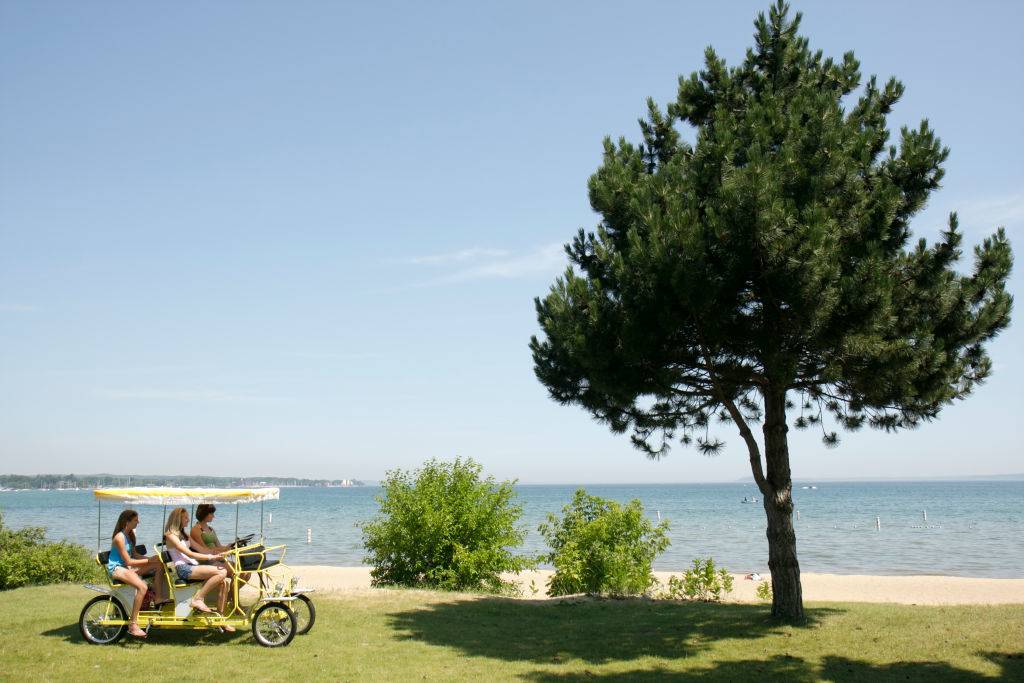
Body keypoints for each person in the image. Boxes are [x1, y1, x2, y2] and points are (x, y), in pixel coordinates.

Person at [163, 507, 234, 631]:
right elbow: (189, 553)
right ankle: (198, 599)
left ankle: (220, 619)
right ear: (178, 519)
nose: (188, 520)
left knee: (224, 583)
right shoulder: (170, 535)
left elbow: (201, 549)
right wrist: (210, 556)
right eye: (185, 517)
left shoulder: (184, 535)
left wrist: (218, 553)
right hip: (183, 568)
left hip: (192, 566)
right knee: (222, 571)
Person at [107, 509, 160, 639]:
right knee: (142, 587)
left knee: (159, 565)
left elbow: (135, 554)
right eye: (136, 520)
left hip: (126, 568)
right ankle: (133, 624)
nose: (138, 522)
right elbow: (129, 560)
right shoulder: (119, 537)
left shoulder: (128, 535)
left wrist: (151, 559)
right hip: (118, 568)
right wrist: (148, 560)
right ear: (127, 521)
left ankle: (158, 599)